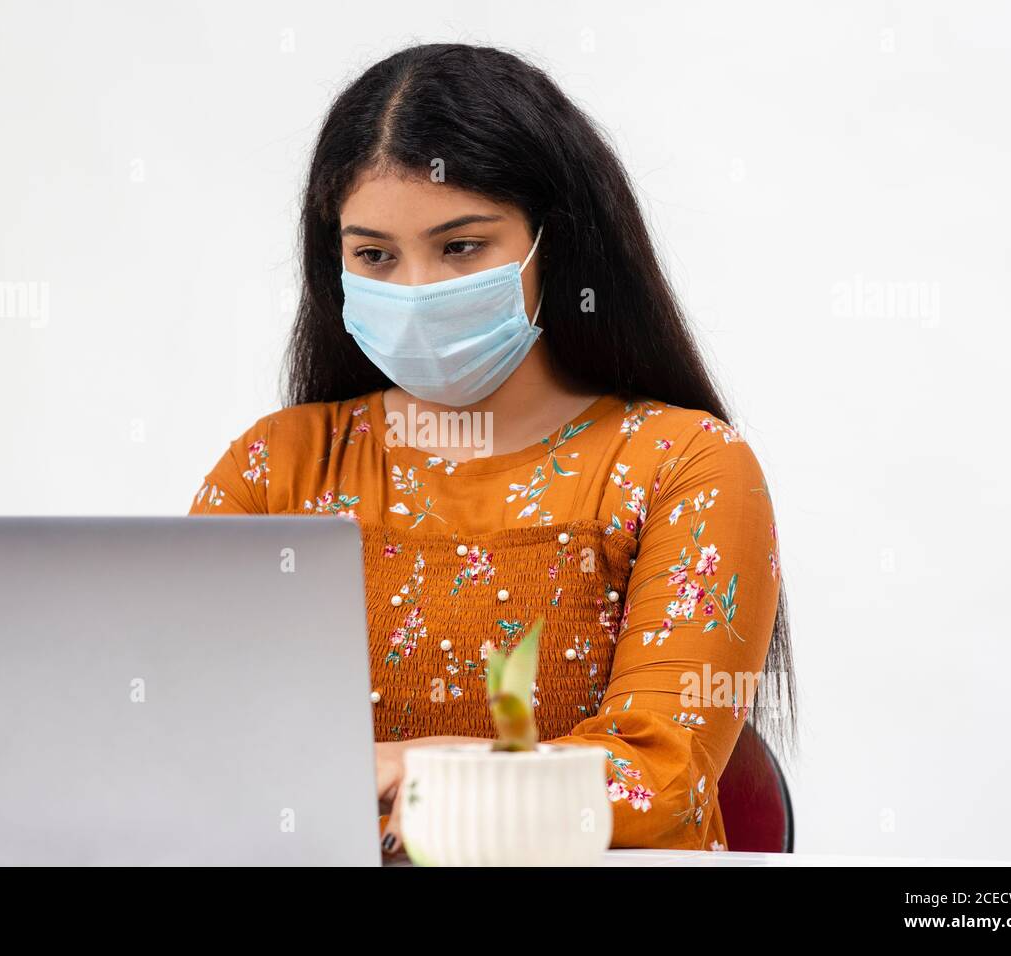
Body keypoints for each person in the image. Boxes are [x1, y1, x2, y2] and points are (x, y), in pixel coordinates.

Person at [190, 43, 795, 857]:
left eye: (462, 247)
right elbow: (192, 753)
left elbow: (660, 781)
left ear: (559, 244)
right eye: (374, 255)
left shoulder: (685, 465)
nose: (414, 292)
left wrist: (431, 776)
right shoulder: (275, 469)